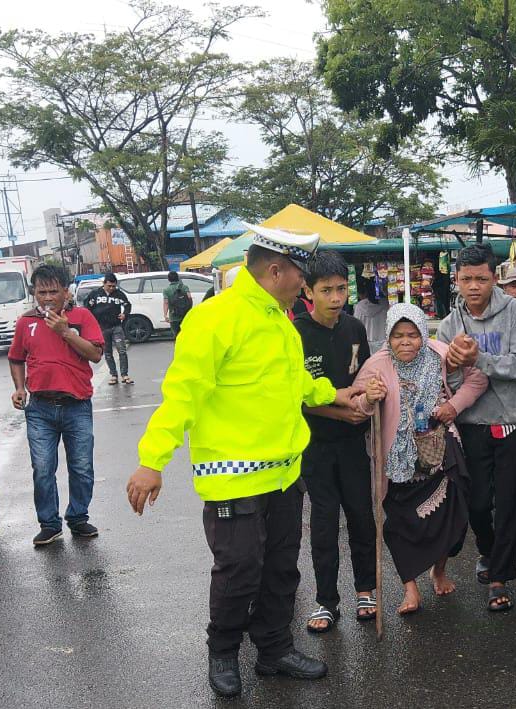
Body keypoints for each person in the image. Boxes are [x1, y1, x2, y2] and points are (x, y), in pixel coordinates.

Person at [125, 225, 362, 699]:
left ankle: (274, 649)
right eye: (301, 276)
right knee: (239, 571)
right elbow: (182, 394)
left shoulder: (281, 320)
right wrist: (152, 461)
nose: (305, 285)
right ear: (275, 271)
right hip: (232, 478)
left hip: (285, 475)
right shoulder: (215, 318)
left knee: (281, 569)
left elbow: (294, 383)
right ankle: (224, 652)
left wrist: (333, 393)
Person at [351, 303, 487, 615]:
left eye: (412, 335)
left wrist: (453, 406)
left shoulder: (440, 353)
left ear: (423, 334)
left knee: (454, 516)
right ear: (388, 337)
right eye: (398, 336)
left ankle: (439, 570)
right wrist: (369, 398)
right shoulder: (376, 365)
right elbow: (357, 407)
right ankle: (410, 589)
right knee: (400, 525)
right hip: (398, 460)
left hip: (440, 450)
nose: (406, 342)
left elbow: (478, 379)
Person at [436, 244, 516, 612]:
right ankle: (489, 551)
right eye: (466, 279)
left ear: (495, 278)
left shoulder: (515, 312)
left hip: (511, 422)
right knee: (476, 504)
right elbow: (445, 380)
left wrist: (480, 359)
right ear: (457, 281)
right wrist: (453, 367)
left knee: (508, 503)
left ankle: (498, 578)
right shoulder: (449, 325)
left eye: (481, 278)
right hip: (471, 423)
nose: (473, 286)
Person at [293, 252, 377, 633]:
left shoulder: (355, 328)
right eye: (326, 290)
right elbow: (297, 398)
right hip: (315, 446)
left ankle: (366, 591)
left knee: (361, 516)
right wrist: (342, 412)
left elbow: (366, 379)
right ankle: (326, 601)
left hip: (354, 443)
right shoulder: (295, 334)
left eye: (341, 289)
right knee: (324, 522)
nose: (335, 297)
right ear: (308, 291)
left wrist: (367, 403)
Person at [8, 265, 105, 547]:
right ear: (34, 293)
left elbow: (96, 354)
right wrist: (19, 387)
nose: (47, 297)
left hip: (77, 405)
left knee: (82, 467)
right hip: (40, 408)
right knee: (42, 468)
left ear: (66, 291)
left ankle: (78, 517)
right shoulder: (26, 322)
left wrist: (66, 332)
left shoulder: (82, 317)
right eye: (41, 292)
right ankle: (49, 524)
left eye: (53, 291)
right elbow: (16, 358)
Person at [86, 273, 134, 385]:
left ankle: (124, 374)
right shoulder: (95, 294)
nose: (111, 288)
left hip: (116, 326)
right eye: (109, 286)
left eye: (113, 286)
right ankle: (113, 375)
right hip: (102, 328)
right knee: (108, 352)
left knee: (122, 350)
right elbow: (87, 308)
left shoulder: (119, 294)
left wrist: (124, 314)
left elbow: (127, 305)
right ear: (104, 284)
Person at [353, 277, 389, 354]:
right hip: (385, 344)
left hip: (367, 344)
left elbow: (355, 329)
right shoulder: (386, 304)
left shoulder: (359, 306)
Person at [161, 271, 193, 336]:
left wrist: (165, 315)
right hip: (185, 315)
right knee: (187, 334)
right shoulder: (184, 287)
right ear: (178, 278)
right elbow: (189, 297)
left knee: (177, 335)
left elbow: (166, 303)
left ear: (169, 279)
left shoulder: (166, 290)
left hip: (173, 316)